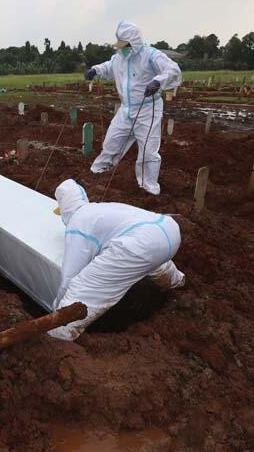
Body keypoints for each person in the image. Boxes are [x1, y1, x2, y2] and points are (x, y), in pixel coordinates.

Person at [48, 179, 185, 341]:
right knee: (149, 259)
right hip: (169, 231)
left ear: (64, 210)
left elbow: (71, 274)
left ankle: (57, 339)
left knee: (82, 288)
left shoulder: (78, 223)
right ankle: (177, 281)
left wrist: (57, 308)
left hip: (141, 246)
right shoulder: (99, 209)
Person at [85, 21, 182, 195]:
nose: (122, 49)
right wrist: (95, 71)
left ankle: (148, 188)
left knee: (148, 150)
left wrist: (157, 81)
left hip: (147, 109)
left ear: (134, 43)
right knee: (112, 142)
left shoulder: (151, 55)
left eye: (125, 46)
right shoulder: (119, 58)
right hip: (126, 109)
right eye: (120, 46)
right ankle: (99, 174)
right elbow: (108, 67)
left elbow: (173, 70)